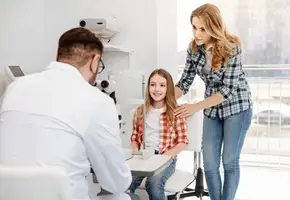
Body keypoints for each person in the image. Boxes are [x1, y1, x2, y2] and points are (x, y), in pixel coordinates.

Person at [0, 27, 135, 200]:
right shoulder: (97, 100)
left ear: (59, 56)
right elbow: (116, 182)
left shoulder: (15, 87)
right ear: (95, 61)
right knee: (121, 196)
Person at [174, 4, 253, 200]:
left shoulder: (232, 48)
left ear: (215, 26)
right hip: (212, 110)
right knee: (209, 165)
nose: (197, 33)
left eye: (202, 28)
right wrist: (162, 100)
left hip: (237, 107)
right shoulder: (193, 49)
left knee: (229, 162)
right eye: (194, 27)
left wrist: (195, 106)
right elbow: (185, 81)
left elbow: (227, 90)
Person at [129, 69, 189, 200]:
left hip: (165, 159)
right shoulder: (140, 111)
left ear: (168, 89)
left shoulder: (175, 112)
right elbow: (134, 137)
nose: (157, 89)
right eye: (152, 84)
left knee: (153, 185)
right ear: (148, 87)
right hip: (144, 156)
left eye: (162, 85)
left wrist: (163, 158)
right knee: (125, 183)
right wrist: (136, 153)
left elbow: (183, 141)